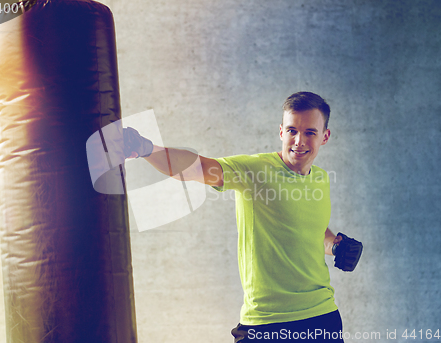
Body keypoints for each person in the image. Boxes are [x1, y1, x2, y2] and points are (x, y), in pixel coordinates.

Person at [123, 91, 362, 342]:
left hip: (321, 317)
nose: (299, 141)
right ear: (281, 132)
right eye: (292, 130)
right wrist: (145, 148)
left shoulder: (321, 179)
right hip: (267, 324)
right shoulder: (255, 170)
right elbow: (198, 167)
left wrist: (336, 245)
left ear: (325, 136)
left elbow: (313, 230)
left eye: (310, 132)